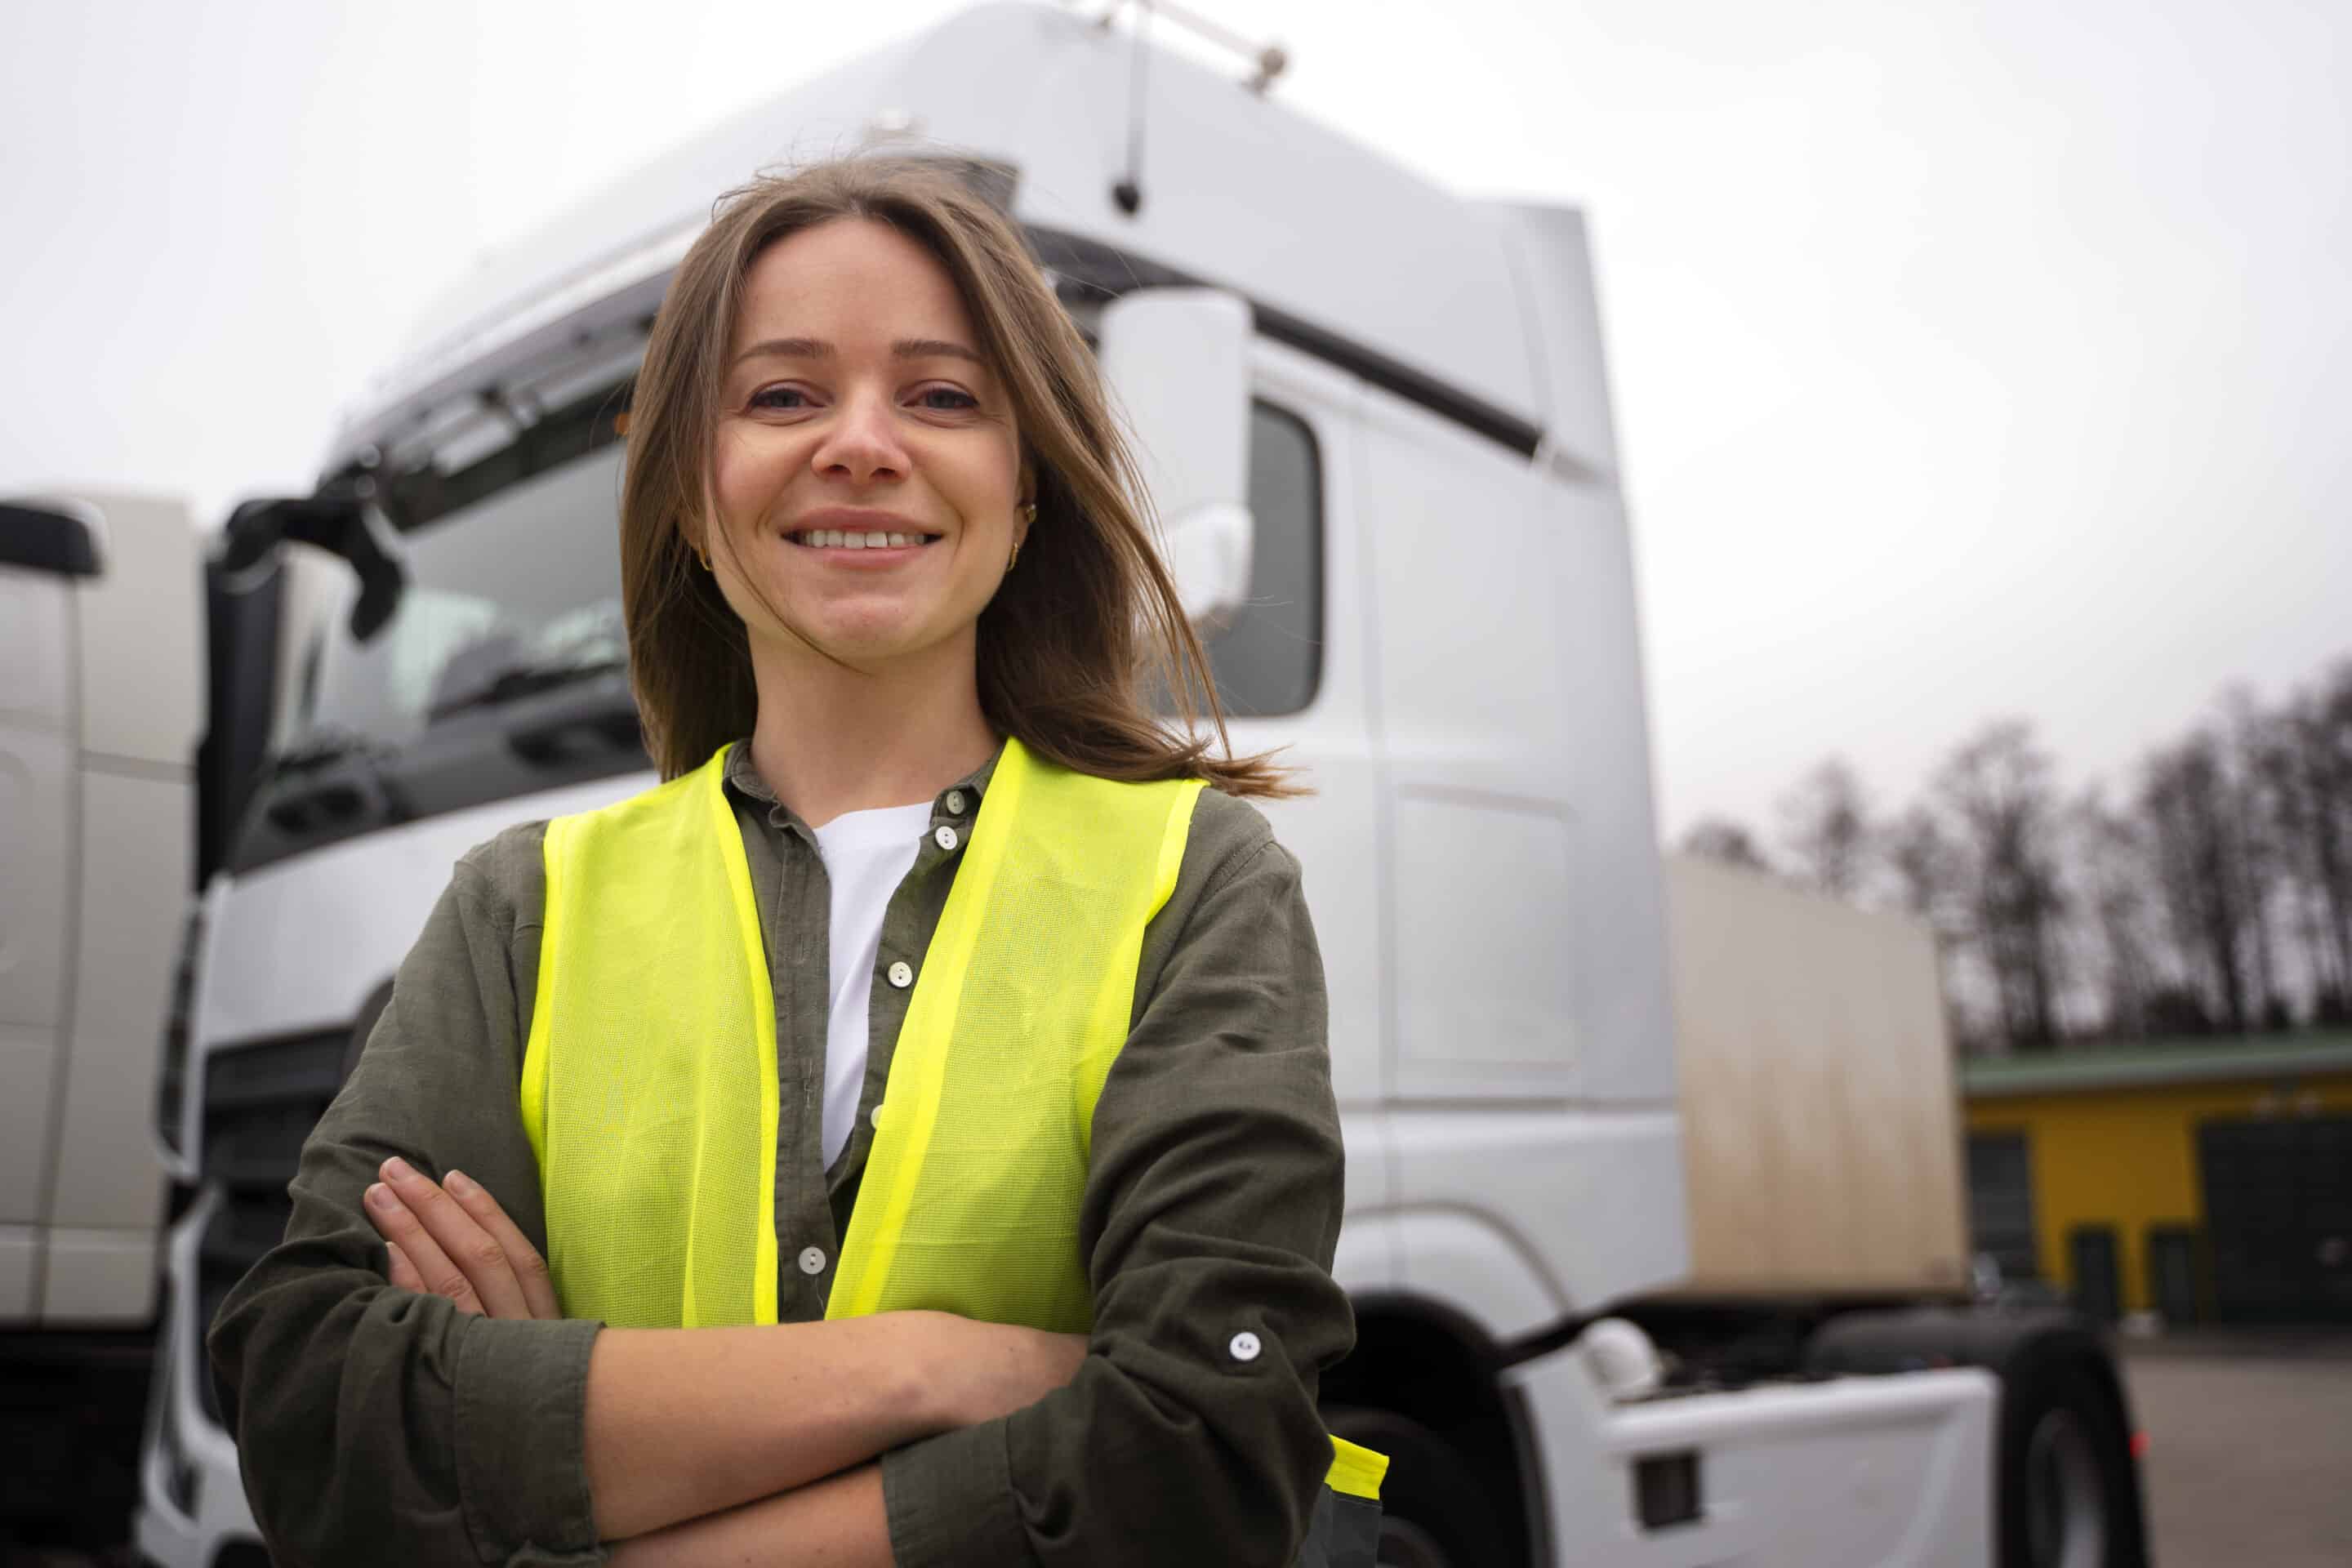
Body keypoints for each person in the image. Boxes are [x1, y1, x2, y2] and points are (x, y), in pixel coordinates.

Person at [208, 154, 1376, 1568]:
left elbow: (1201, 1445)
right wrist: (931, 1369)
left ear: (1026, 493)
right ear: (694, 495)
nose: (863, 443)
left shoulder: (1194, 879)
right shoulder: (523, 907)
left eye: (942, 396)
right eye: (782, 396)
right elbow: (311, 1407)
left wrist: (565, 1459)